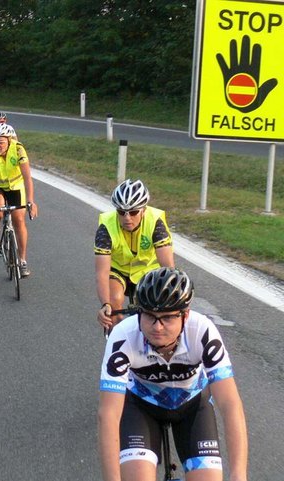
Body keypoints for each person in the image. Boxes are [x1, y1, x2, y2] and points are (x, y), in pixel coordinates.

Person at [98, 267, 248, 481]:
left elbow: (230, 403)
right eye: (149, 316)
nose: (157, 327)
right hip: (141, 406)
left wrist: (239, 475)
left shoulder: (202, 331)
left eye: (167, 318)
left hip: (192, 406)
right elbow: (109, 415)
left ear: (185, 315)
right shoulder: (123, 336)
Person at [95, 179, 174, 331]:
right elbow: (102, 273)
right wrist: (105, 305)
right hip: (118, 270)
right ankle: (117, 343)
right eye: (121, 212)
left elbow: (168, 267)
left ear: (143, 209)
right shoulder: (106, 227)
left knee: (153, 307)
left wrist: (168, 298)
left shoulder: (155, 222)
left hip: (148, 270)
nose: (127, 218)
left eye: (133, 212)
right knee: (114, 300)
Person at [0, 123, 38, 277]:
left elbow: (27, 178)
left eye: (1, 142)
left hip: (15, 184)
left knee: (19, 219)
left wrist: (31, 201)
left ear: (9, 141)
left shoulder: (18, 150)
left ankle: (23, 260)